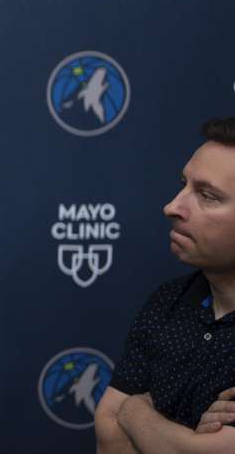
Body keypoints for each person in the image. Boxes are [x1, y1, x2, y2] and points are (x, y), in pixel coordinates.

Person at [95, 118, 235, 452]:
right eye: (183, 185)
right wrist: (178, 437)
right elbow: (109, 432)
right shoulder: (168, 301)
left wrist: (134, 411)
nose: (172, 207)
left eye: (207, 196)